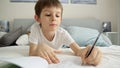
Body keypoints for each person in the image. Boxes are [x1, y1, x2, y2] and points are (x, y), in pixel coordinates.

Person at [29, 0, 102, 66]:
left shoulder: (63, 34)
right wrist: (39, 48)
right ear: (37, 18)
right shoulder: (35, 28)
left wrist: (88, 50)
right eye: (48, 14)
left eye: (57, 15)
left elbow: (78, 50)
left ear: (61, 19)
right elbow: (32, 52)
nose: (54, 19)